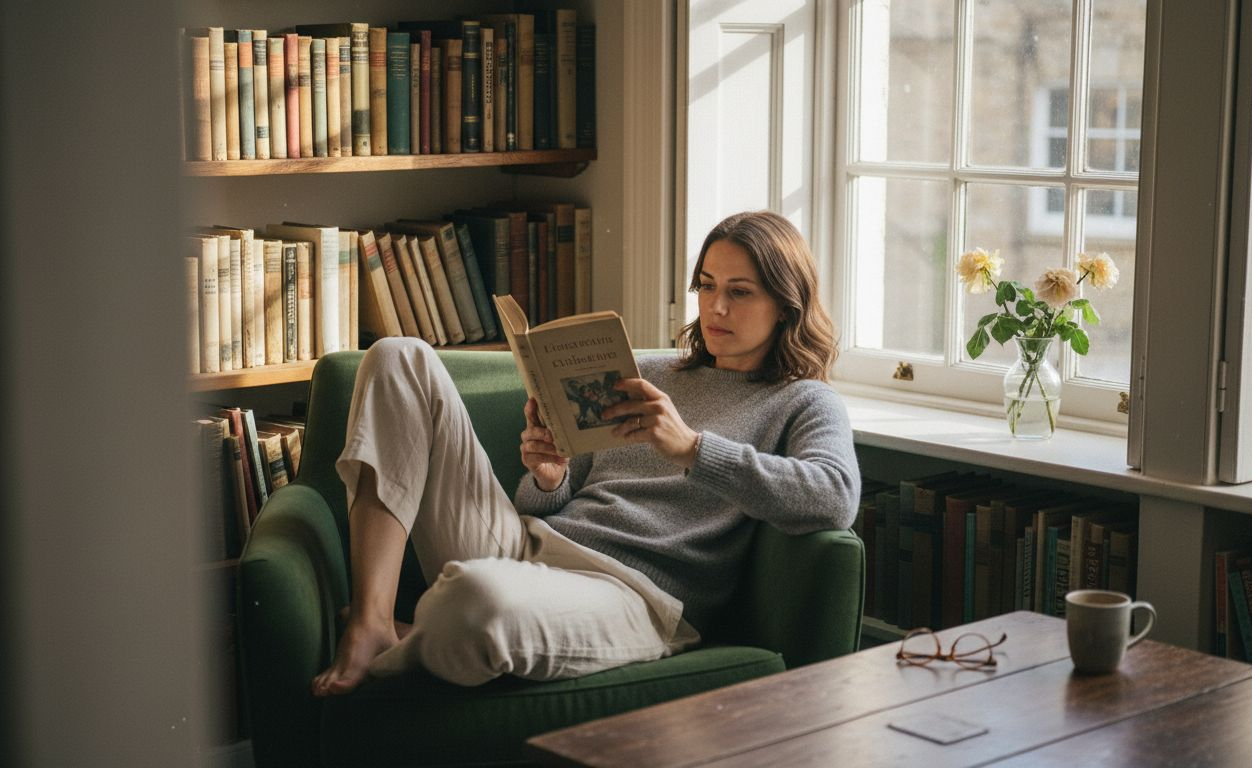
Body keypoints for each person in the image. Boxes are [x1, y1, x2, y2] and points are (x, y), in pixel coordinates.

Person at [311, 210, 862, 696]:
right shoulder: (647, 372)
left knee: (474, 600)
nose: (715, 307)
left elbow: (834, 498)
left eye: (740, 291)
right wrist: (549, 477)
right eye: (706, 284)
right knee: (396, 355)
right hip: (530, 547)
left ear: (786, 305)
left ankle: (423, 637)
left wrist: (691, 448)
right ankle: (373, 620)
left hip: (635, 597)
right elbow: (555, 499)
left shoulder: (804, 400)